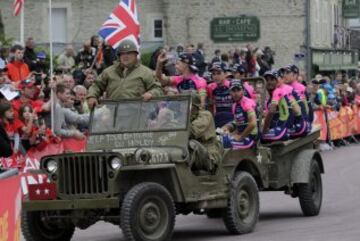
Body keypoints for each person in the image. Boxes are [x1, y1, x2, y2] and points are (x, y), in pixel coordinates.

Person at [87, 39, 163, 108]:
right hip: (113, 115)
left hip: (137, 115)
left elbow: (158, 89)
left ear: (136, 55)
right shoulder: (109, 72)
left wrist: (151, 93)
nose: (125, 56)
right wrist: (92, 96)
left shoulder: (145, 72)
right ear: (119, 56)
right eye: (122, 53)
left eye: (129, 53)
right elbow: (96, 85)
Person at [189, 95, 223, 174]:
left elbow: (193, 131)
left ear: (195, 106)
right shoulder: (186, 117)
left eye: (188, 106)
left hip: (209, 155)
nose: (182, 108)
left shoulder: (205, 115)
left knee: (192, 144)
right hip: (199, 156)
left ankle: (183, 172)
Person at [221, 80, 258, 149]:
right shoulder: (234, 105)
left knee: (224, 143)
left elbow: (253, 123)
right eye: (233, 91)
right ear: (230, 92)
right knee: (220, 138)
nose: (236, 93)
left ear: (243, 91)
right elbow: (238, 124)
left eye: (238, 90)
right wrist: (228, 128)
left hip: (251, 139)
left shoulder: (247, 103)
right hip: (243, 136)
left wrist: (240, 136)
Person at [262, 70, 290, 142]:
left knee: (258, 137)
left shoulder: (277, 91)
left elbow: (271, 111)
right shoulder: (269, 99)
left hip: (283, 129)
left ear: (277, 81)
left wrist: (265, 129)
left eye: (272, 79)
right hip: (277, 129)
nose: (269, 82)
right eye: (267, 80)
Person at [207, 62, 233, 127]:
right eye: (213, 74)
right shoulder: (210, 87)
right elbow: (211, 107)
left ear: (225, 74)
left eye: (219, 73)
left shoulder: (232, 86)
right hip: (218, 119)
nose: (216, 76)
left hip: (232, 118)